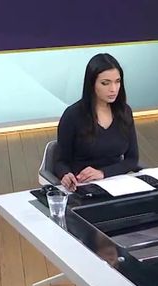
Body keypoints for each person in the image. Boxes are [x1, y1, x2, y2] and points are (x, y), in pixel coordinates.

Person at [54, 53, 139, 191]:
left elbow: (132, 159)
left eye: (117, 81)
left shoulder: (124, 112)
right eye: (105, 83)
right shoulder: (73, 115)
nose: (113, 89)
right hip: (83, 186)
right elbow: (60, 162)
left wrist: (103, 173)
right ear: (92, 83)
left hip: (116, 184)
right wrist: (65, 174)